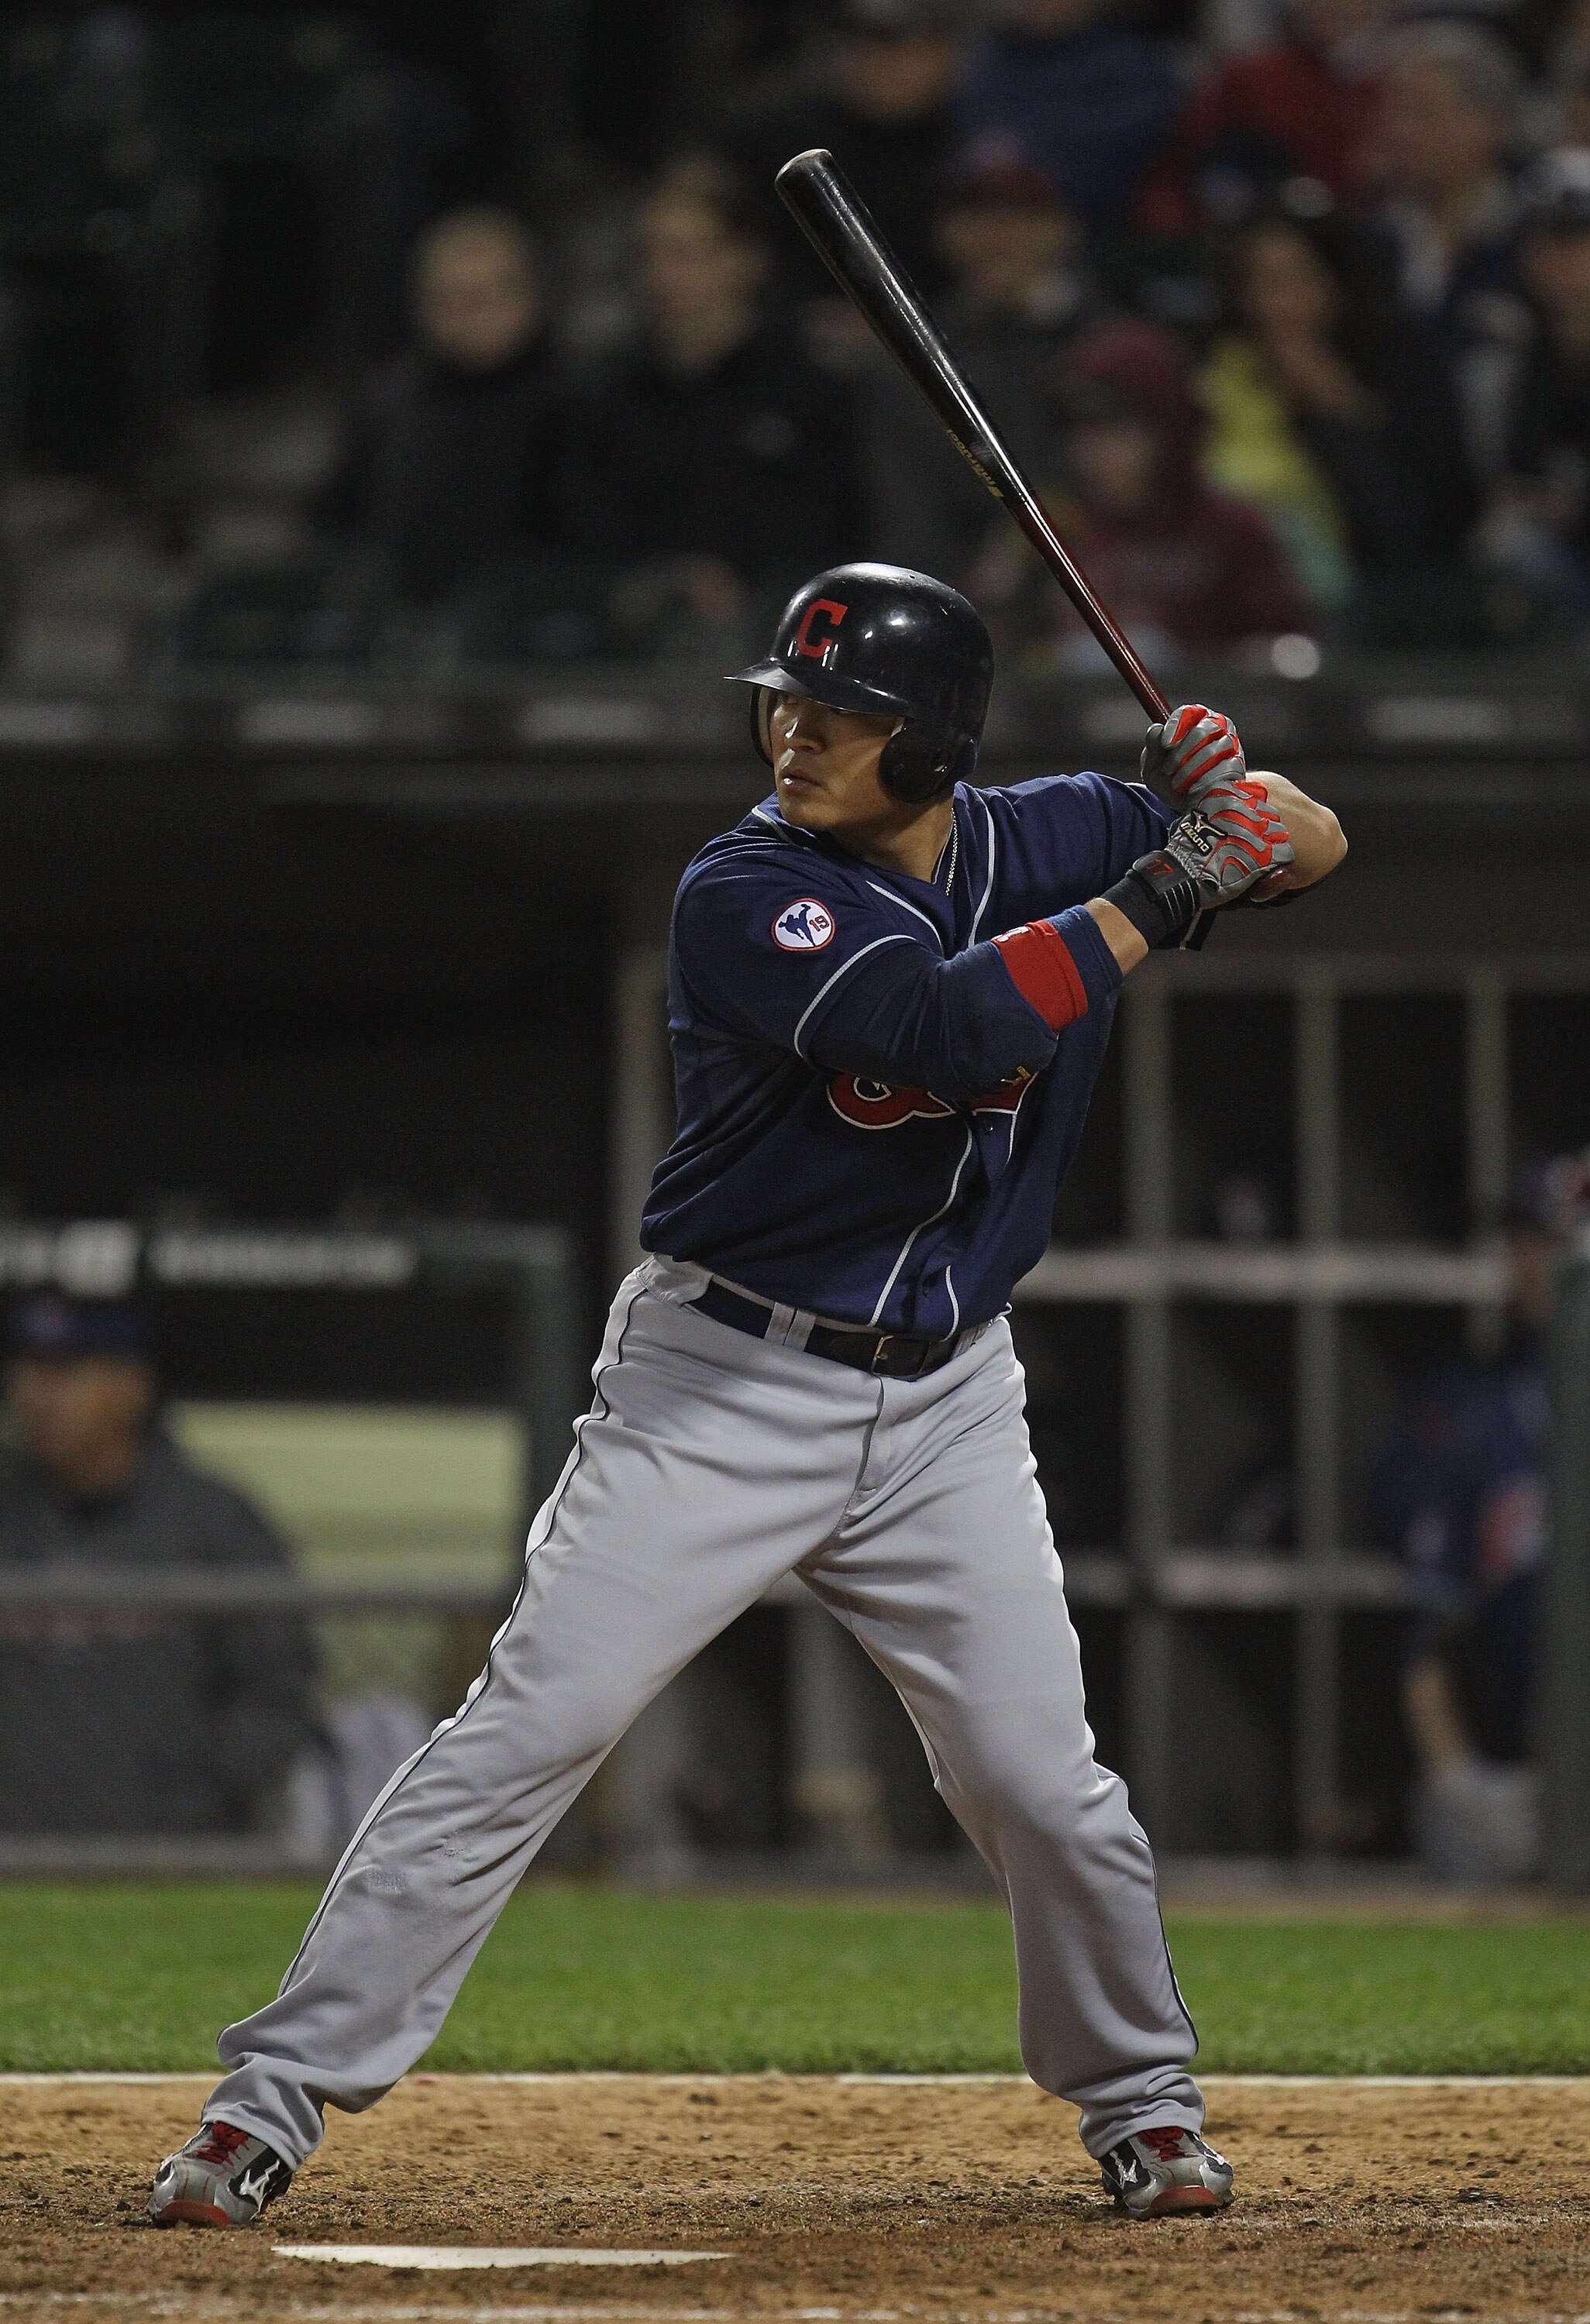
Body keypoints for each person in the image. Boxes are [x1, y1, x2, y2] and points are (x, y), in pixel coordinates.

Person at [147, 562, 1346, 2232]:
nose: (791, 734)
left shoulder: (1055, 833)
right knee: (536, 1725)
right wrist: (1173, 883)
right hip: (719, 1390)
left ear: (932, 748)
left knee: (1036, 1780)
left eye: (840, 716)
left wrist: (1233, 803)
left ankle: (1143, 2103)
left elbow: (1312, 839)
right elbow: (942, 1028)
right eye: (783, 702)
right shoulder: (746, 887)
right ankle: (259, 2106)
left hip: (943, 1402)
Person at [0, 1295, 317, 1835]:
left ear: (132, 1387)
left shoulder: (215, 1525)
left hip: (168, 1859)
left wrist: (192, 1809)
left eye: (67, 1373)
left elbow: (276, 1692)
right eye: (29, 1370)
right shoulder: (10, 1512)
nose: (38, 1395)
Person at [1368, 1154, 1588, 1884]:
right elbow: (1426, 1629)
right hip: (1514, 1770)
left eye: (1555, 1238)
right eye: (1525, 1238)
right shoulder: (1469, 1408)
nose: (1531, 1260)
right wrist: (1459, 1780)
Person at [556, 166, 864, 632]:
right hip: (634, 646)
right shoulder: (605, 396)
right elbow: (584, 536)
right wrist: (665, 579)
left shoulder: (813, 390)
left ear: (749, 259)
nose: (663, 277)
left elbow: (841, 530)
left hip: (789, 643)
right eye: (649, 257)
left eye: (685, 255)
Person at [976, 318, 1310, 666]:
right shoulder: (1051, 530)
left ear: (1169, 428)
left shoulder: (1232, 531)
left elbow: (1287, 656)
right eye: (1083, 432)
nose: (1099, 452)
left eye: (1121, 429)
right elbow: (997, 638)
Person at [1199, 206, 1475, 615]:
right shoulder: (1215, 376)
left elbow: (1419, 529)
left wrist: (1340, 410)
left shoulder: (1403, 370)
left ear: (1335, 281)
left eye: (1290, 278)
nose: (1270, 303)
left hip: (1383, 604)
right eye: (1255, 282)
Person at [866, 156, 1107, 579]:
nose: (997, 236)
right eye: (975, 215)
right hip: (965, 598)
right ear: (943, 232)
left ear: (1064, 226)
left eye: (1021, 216)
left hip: (1107, 596)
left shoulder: (1121, 347)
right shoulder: (914, 359)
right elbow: (908, 519)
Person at [318, 208, 560, 605]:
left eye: (479, 298)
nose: (463, 317)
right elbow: (340, 523)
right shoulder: (387, 406)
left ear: (527, 298)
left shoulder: (577, 408)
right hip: (403, 626)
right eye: (446, 299)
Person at [721, 0, 967, 309]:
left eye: (908, 46)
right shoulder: (775, 137)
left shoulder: (975, 146)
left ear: (949, 55)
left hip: (946, 331)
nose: (888, 64)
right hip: (794, 330)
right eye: (871, 44)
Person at [1369, 23, 1530, 488]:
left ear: (1490, 125)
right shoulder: (1370, 243)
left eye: (1422, 113)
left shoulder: (1540, 244)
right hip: (1398, 492)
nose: (1398, 131)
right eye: (1393, 113)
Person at [1137, 0, 1391, 233]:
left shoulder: (1405, 80)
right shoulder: (1252, 78)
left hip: (1371, 242)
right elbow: (1177, 171)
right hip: (1262, 245)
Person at [958, 0, 1181, 235]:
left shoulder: (1133, 64)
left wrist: (1031, 162)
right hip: (983, 205)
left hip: (1092, 223)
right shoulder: (987, 61)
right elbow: (966, 135)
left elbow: (1127, 149)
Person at [1482, 148, 1590, 619]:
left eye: (1575, 238)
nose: (1557, 258)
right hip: (1561, 562)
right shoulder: (1518, 352)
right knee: (1509, 546)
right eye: (1544, 241)